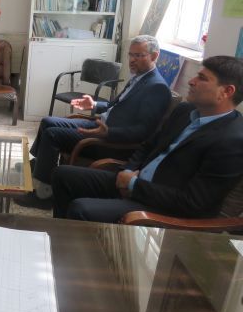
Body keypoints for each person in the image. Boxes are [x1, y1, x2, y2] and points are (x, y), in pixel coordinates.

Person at [52, 56, 243, 223]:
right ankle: (59, 238)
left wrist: (134, 185)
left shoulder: (232, 140)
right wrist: (127, 171)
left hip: (163, 207)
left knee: (81, 208)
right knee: (63, 175)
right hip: (134, 181)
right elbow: (148, 145)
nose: (192, 81)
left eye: (202, 78)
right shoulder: (185, 111)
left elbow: (193, 203)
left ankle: (77, 248)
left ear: (227, 91)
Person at [15, 35, 171, 209]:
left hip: (111, 141)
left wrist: (109, 133)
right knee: (47, 122)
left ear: (154, 56)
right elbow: (115, 106)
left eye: (138, 55)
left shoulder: (157, 87)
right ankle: (39, 167)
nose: (132, 60)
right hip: (100, 125)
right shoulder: (139, 78)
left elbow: (143, 132)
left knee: (52, 134)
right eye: (131, 55)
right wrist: (94, 105)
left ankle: (43, 196)